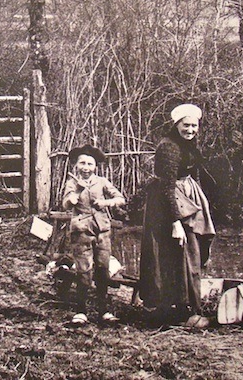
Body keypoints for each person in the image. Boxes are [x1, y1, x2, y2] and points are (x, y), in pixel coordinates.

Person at [139, 103, 216, 328]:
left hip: (187, 197)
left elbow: (195, 173)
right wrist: (175, 222)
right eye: (186, 125)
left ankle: (185, 305)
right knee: (171, 251)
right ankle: (168, 308)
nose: (190, 129)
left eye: (194, 126)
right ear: (176, 124)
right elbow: (167, 185)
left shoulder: (191, 145)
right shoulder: (168, 147)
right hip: (166, 203)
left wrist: (200, 204)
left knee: (191, 249)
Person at [62, 144, 126, 325]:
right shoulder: (72, 183)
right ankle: (81, 311)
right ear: (76, 165)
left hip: (102, 232)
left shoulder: (102, 182)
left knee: (103, 269)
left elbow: (121, 199)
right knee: (84, 270)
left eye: (90, 164)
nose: (86, 168)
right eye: (82, 163)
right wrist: (73, 197)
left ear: (95, 167)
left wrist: (105, 203)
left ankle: (103, 311)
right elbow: (66, 204)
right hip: (81, 232)